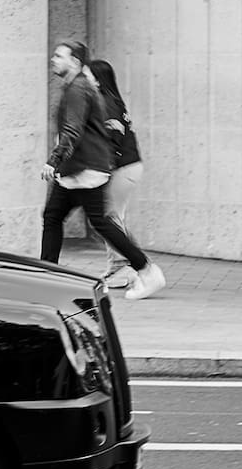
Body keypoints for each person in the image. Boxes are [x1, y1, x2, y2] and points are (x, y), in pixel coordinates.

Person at [41, 40, 165, 299]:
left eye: (59, 56)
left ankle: (146, 270)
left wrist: (53, 160)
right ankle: (47, 276)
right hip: (77, 169)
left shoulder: (77, 88)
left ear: (75, 62)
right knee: (55, 217)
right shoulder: (75, 87)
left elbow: (72, 130)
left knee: (98, 222)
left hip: (85, 169)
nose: (53, 59)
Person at [83, 55, 147, 282]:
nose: (83, 79)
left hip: (123, 168)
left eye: (86, 75)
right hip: (127, 167)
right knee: (110, 216)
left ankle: (127, 266)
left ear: (98, 80)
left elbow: (113, 138)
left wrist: (103, 165)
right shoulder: (107, 100)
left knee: (110, 218)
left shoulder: (105, 103)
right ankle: (118, 265)